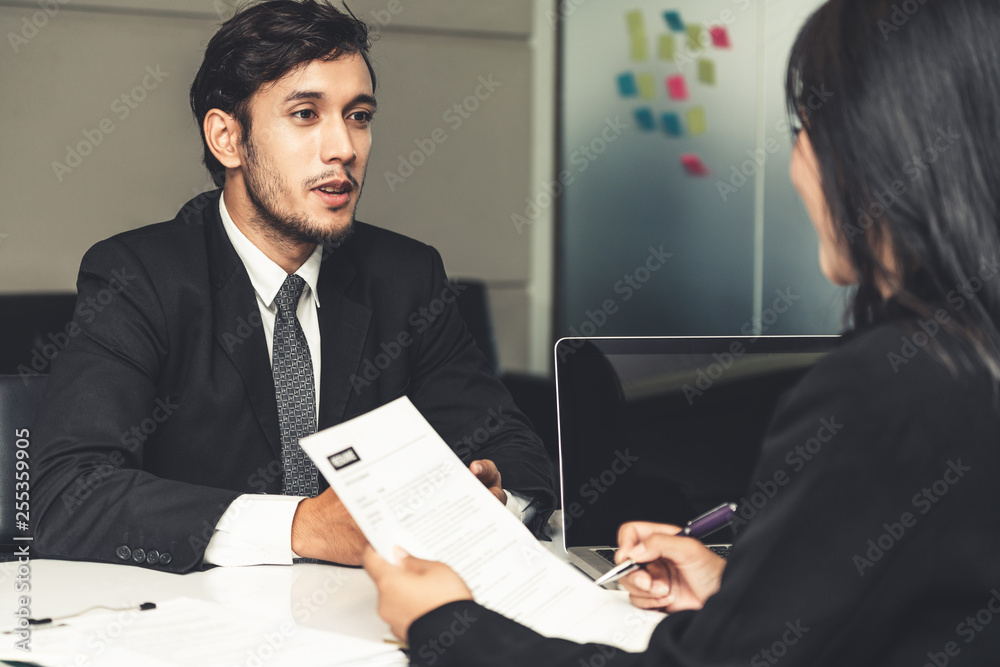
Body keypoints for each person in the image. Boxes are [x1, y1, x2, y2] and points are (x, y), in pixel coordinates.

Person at [363, 0, 1000, 664]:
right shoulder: (967, 360)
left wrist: (445, 623)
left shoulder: (891, 387)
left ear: (866, 144)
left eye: (801, 129)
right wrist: (749, 593)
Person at [32, 0, 555, 574]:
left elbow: (517, 454)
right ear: (227, 138)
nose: (345, 149)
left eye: (358, 115)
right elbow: (65, 495)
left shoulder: (407, 275)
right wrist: (303, 526)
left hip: (380, 618)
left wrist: (491, 501)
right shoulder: (140, 276)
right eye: (306, 114)